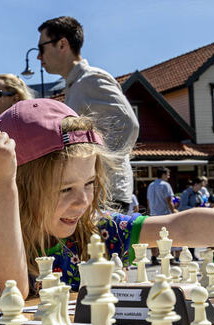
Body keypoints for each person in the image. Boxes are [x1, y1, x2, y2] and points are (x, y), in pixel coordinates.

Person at [0, 99, 214, 303]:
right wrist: (1, 184)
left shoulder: (98, 232)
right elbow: (9, 291)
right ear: (20, 191)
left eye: (89, 184)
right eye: (65, 190)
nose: (82, 201)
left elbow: (181, 227)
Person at [37, 17, 139, 214]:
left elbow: (128, 124)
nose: (38, 57)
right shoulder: (77, 85)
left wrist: (97, 172)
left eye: (41, 48)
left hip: (106, 197)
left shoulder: (90, 79)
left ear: (62, 44)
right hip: (98, 194)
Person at [146, 167, 177, 264]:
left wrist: (150, 211)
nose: (168, 176)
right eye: (167, 174)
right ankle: (170, 257)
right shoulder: (165, 185)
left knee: (154, 236)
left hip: (153, 214)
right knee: (168, 236)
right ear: (163, 174)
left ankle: (154, 257)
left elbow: (148, 200)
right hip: (164, 214)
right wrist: (173, 212)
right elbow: (169, 200)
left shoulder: (151, 185)